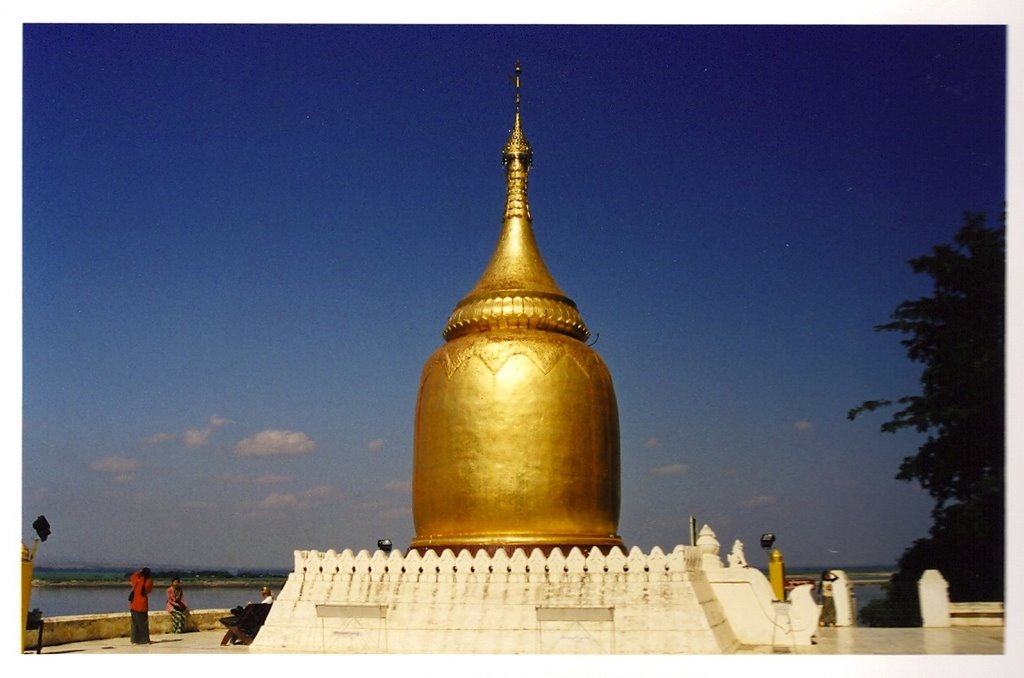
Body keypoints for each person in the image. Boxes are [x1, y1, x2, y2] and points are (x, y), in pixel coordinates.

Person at [128, 567, 154, 644]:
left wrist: (139, 571)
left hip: (134, 604)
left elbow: (132, 576)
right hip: (143, 605)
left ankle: (134, 640)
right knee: (144, 624)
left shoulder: (137, 580)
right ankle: (145, 640)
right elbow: (148, 590)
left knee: (135, 624)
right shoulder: (149, 582)